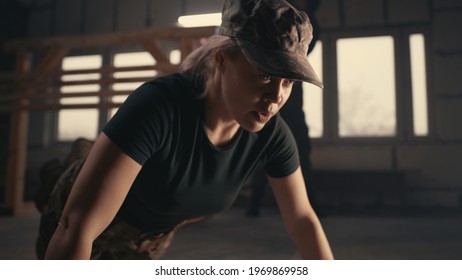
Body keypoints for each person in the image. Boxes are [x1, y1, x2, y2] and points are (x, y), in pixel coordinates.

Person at [38, 0, 334, 260]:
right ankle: (59, 171)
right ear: (221, 59)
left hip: (147, 241)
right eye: (265, 75)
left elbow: (302, 221)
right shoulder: (159, 106)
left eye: (289, 81)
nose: (277, 97)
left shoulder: (273, 136)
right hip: (75, 220)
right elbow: (77, 227)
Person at [245, 0, 322, 217]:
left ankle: (310, 204)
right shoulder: (272, 15)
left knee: (301, 153)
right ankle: (254, 203)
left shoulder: (308, 23)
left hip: (293, 104)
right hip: (267, 94)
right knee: (262, 148)